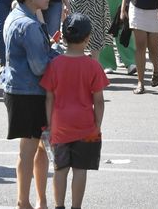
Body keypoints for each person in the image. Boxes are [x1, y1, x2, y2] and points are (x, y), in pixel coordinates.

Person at [1, 0, 59, 209]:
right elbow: (39, 66)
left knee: (37, 147)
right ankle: (24, 202)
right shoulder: (29, 24)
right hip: (29, 93)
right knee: (30, 148)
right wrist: (65, 60)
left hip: (18, 89)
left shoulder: (16, 16)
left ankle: (38, 200)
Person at [40, 13, 109, 209]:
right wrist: (97, 124)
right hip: (85, 125)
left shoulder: (55, 65)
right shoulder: (93, 66)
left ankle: (59, 205)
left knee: (60, 169)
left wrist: (50, 124)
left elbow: (49, 98)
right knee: (80, 169)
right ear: (87, 38)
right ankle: (76, 206)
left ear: (63, 37)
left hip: (60, 125)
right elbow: (99, 100)